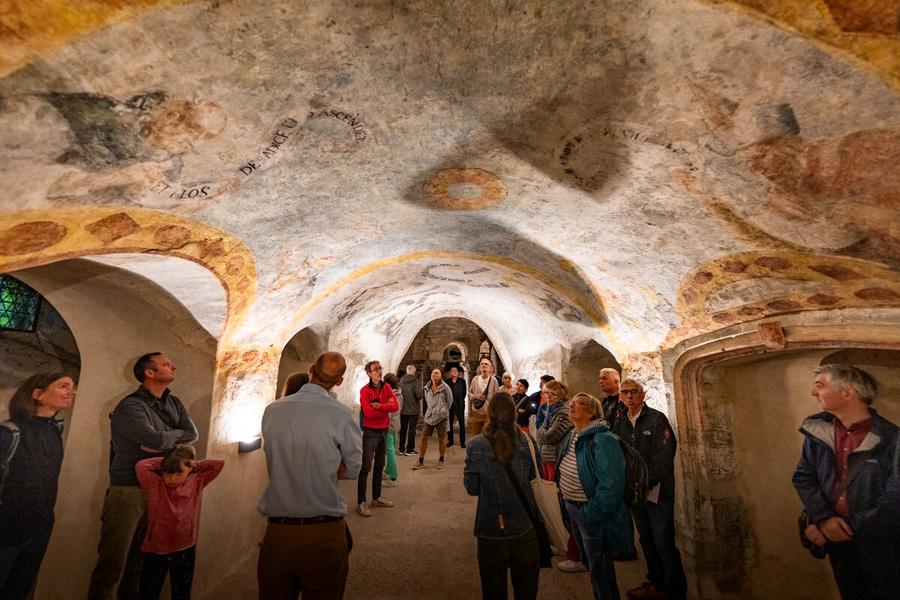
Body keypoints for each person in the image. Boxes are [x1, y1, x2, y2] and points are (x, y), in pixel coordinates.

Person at [89, 353, 198, 600]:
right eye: (166, 364)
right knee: (112, 565)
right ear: (149, 372)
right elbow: (155, 439)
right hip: (128, 490)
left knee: (139, 564)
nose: (173, 366)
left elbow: (192, 434)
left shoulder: (174, 402)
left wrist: (163, 438)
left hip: (157, 488)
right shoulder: (130, 406)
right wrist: (170, 437)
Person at [257, 351, 362, 599]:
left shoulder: (273, 410)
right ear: (340, 381)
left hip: (279, 531)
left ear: (311, 370)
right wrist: (327, 467)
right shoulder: (341, 414)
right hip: (323, 530)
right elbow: (353, 467)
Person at [792, 364, 899, 600]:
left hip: (881, 547)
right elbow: (804, 477)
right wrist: (823, 518)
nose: (813, 392)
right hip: (839, 547)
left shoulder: (892, 438)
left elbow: (894, 503)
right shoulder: (818, 430)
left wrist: (835, 528)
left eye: (820, 385)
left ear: (848, 393)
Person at [0, 372, 75, 599]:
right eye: (63, 386)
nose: (72, 391)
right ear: (37, 394)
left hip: (38, 530)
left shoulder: (53, 431)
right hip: (5, 532)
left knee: (18, 592)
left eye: (72, 387)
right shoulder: (9, 431)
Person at [612, 379, 686, 600]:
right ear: (621, 396)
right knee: (646, 540)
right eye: (625, 392)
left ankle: (674, 592)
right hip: (635, 493)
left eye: (634, 392)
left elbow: (664, 455)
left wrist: (646, 483)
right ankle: (656, 584)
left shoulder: (656, 419)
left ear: (643, 395)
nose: (630, 396)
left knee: (663, 542)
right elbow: (618, 455)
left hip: (658, 492)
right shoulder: (620, 422)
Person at [464, 392, 540, 600]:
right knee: (526, 592)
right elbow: (533, 477)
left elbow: (472, 487)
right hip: (524, 525)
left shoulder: (476, 445)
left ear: (489, 413)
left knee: (493, 591)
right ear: (514, 413)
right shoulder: (527, 441)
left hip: (491, 528)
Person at [557, 393, 634, 600]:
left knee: (600, 568)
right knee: (589, 562)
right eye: (572, 402)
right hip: (573, 507)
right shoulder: (572, 434)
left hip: (589, 510)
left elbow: (611, 485)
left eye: (580, 404)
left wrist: (591, 512)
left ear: (591, 412)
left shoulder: (604, 439)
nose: (572, 405)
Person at [135, 445, 224, 600]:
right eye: (167, 472)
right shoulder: (155, 483)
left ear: (189, 469)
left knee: (182, 592)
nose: (172, 478)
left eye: (178, 472)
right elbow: (141, 466)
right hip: (156, 549)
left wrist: (188, 463)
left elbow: (218, 464)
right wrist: (170, 460)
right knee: (148, 593)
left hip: (184, 547)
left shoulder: (196, 482)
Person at [535, 380, 584, 573]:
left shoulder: (562, 412)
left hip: (556, 460)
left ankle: (575, 552)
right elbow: (543, 432)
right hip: (549, 458)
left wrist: (540, 429)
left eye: (551, 394)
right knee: (554, 504)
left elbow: (549, 436)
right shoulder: (550, 409)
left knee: (563, 506)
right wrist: (542, 430)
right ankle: (562, 541)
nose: (547, 397)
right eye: (545, 393)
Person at [357, 360, 399, 517]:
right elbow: (368, 413)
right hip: (370, 432)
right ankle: (361, 502)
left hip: (384, 430)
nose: (379, 371)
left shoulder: (387, 387)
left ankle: (376, 497)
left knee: (380, 464)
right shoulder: (364, 391)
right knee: (366, 466)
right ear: (369, 373)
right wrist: (385, 406)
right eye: (375, 369)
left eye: (380, 368)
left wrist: (380, 406)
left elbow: (395, 406)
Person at [413, 369, 453, 470]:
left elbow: (449, 401)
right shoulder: (426, 388)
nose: (434, 374)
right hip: (429, 416)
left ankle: (441, 460)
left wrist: (442, 410)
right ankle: (421, 460)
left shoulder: (445, 388)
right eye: (432, 373)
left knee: (441, 438)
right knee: (424, 437)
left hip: (441, 417)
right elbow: (427, 401)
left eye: (436, 373)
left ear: (440, 375)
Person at [468, 358, 499, 436]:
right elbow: (469, 393)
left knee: (488, 437)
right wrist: (475, 396)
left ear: (490, 368)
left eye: (486, 364)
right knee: (475, 436)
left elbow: (497, 398)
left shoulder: (494, 381)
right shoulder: (475, 379)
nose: (484, 365)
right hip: (476, 414)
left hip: (488, 414)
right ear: (479, 367)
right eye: (482, 364)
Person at [382, 372, 401, 487]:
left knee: (389, 451)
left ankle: (393, 478)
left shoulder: (390, 396)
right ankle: (387, 471)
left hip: (389, 425)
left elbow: (388, 412)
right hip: (396, 424)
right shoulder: (399, 394)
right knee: (392, 449)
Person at [398, 365, 423, 455]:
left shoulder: (401, 381)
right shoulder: (416, 381)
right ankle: (410, 449)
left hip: (403, 409)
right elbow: (419, 395)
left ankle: (401, 449)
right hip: (413, 409)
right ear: (414, 371)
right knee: (412, 430)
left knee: (403, 429)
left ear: (407, 371)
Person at [445, 366, 468, 448]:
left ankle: (462, 442)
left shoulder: (462, 381)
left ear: (458, 373)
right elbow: (445, 393)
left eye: (455, 371)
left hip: (460, 404)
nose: (454, 372)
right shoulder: (447, 382)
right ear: (450, 373)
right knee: (449, 424)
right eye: (452, 371)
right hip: (450, 405)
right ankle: (450, 441)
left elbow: (464, 392)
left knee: (462, 424)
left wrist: (460, 400)